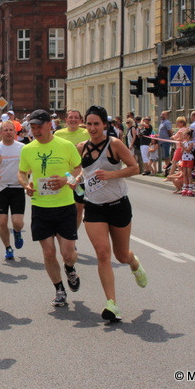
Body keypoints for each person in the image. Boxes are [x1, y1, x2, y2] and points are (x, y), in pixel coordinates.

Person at [76, 105, 146, 322]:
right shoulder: (81, 147)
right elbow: (82, 173)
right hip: (94, 206)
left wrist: (111, 174)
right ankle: (112, 304)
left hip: (118, 205)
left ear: (105, 125)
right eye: (89, 124)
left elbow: (135, 167)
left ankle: (134, 263)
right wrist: (73, 181)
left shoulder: (114, 145)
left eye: (97, 124)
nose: (92, 128)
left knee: (121, 255)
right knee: (102, 254)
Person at [18, 109, 81, 307]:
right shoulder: (28, 149)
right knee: (48, 252)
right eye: (33, 127)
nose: (36, 131)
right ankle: (59, 290)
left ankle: (70, 268)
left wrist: (66, 180)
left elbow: (78, 170)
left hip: (64, 206)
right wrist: (26, 184)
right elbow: (22, 172)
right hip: (40, 206)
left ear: (49, 125)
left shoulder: (66, 146)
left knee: (68, 253)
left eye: (39, 127)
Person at [0, 120, 25, 260]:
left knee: (17, 222)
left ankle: (17, 232)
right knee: (2, 222)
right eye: (6, 130)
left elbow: (28, 166)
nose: (8, 132)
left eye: (11, 130)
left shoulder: (22, 147)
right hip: (1, 188)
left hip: (17, 188)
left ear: (15, 132)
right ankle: (8, 248)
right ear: (1, 133)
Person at [53, 110, 90, 229]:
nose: (73, 120)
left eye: (76, 118)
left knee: (78, 208)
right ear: (66, 120)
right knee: (62, 207)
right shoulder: (58, 134)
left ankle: (73, 234)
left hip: (80, 175)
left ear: (80, 120)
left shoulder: (87, 133)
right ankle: (62, 230)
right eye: (70, 117)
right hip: (64, 174)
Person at [180, 129, 195, 196]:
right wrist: (182, 148)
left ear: (188, 136)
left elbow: (188, 150)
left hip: (189, 158)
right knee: (185, 173)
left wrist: (183, 147)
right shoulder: (184, 142)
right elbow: (182, 151)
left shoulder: (191, 142)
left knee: (189, 173)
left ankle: (190, 187)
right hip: (184, 158)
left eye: (185, 135)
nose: (184, 136)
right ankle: (185, 186)